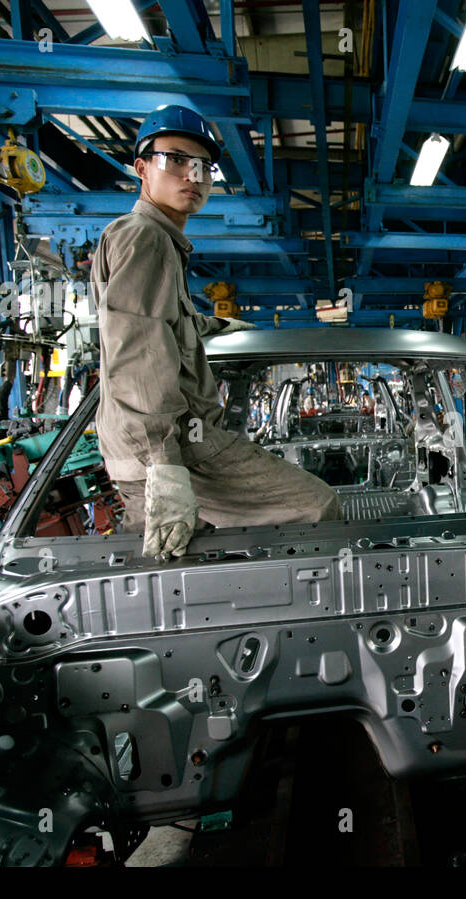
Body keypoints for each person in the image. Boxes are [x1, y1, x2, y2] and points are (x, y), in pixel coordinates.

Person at [90, 104, 341, 558]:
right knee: (317, 505)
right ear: (141, 168)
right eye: (176, 159)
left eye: (204, 166)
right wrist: (165, 468)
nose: (193, 174)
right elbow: (137, 355)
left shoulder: (151, 240)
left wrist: (216, 324)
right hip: (177, 447)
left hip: (158, 448)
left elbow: (160, 324)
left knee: (175, 562)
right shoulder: (145, 238)